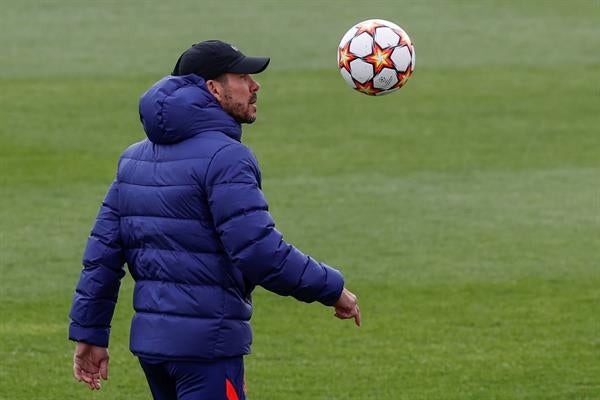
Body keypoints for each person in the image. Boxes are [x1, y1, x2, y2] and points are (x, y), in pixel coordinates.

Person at [69, 40, 361, 400]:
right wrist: (331, 288)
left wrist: (90, 334)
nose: (255, 86)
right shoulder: (227, 158)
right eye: (241, 76)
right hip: (207, 349)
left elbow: (102, 256)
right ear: (212, 88)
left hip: (154, 350)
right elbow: (260, 252)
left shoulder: (133, 159)